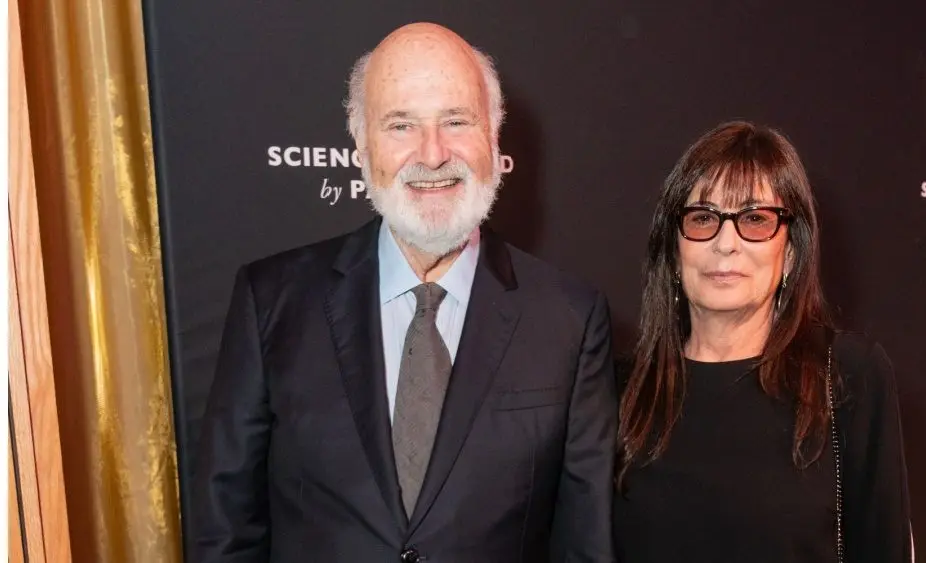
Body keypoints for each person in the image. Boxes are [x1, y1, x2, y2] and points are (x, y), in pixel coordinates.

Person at [191, 22, 617, 563]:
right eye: (401, 125)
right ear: (363, 147)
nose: (433, 154)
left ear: (493, 136)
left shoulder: (571, 320)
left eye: (456, 121)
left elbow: (584, 543)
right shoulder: (271, 301)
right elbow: (226, 529)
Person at [613, 121, 912, 563]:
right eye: (703, 218)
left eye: (755, 219)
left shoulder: (849, 374)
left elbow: (882, 547)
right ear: (674, 251)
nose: (725, 243)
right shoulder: (619, 387)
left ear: (791, 252)